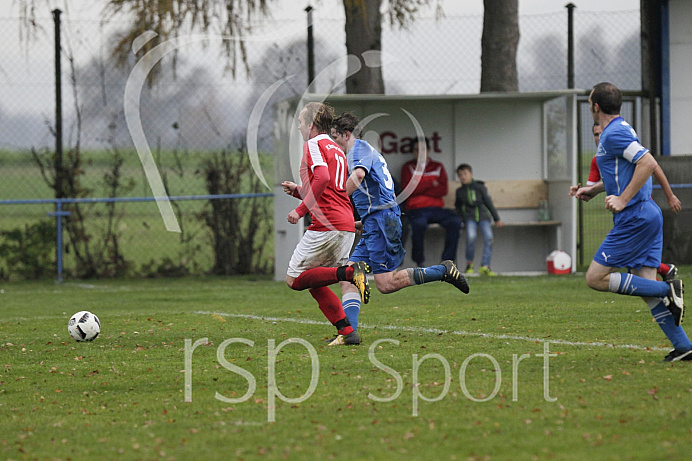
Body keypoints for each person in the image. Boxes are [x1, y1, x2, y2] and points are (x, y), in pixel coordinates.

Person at [574, 82, 688, 362]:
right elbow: (626, 171)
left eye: (590, 102)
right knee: (643, 284)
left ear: (595, 107)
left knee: (595, 278)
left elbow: (647, 163)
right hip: (647, 213)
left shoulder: (611, 134)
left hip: (634, 217)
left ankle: (668, 288)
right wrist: (595, 190)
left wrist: (623, 199)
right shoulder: (622, 129)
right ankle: (684, 347)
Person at [330, 113, 469, 338]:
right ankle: (349, 333)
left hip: (382, 221)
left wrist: (336, 201)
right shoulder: (363, 151)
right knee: (348, 276)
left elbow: (357, 177)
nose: (332, 143)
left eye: (335, 137)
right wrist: (363, 220)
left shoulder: (357, 149)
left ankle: (443, 271)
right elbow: (381, 191)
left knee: (386, 284)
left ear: (347, 135)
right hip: (376, 221)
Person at [281, 102, 371, 346]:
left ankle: (351, 272)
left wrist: (301, 210)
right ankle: (347, 331)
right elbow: (332, 189)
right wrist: (301, 191)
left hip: (327, 224)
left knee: (295, 280)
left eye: (300, 122)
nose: (298, 126)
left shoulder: (313, 143)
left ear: (311, 124)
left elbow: (322, 177)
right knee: (314, 279)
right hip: (344, 223)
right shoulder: (335, 148)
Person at [570, 121, 680, 282]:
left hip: (639, 212)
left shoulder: (621, 145)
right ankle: (665, 275)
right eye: (595, 134)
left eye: (602, 133)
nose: (599, 137)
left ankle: (664, 281)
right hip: (627, 214)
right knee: (640, 270)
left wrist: (670, 196)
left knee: (598, 276)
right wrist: (584, 191)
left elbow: (651, 165)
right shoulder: (598, 159)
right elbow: (602, 185)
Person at [400, 137, 462, 267]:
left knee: (455, 222)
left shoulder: (437, 166)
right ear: (413, 152)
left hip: (436, 208)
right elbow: (408, 190)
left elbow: (443, 189)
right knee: (418, 224)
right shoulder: (408, 167)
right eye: (417, 150)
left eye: (423, 149)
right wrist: (430, 183)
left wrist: (420, 186)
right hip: (416, 209)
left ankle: (447, 262)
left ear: (428, 150)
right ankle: (420, 262)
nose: (420, 153)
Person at [454, 163, 504, 276]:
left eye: (465, 174)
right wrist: (461, 218)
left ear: (471, 174)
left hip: (483, 217)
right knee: (471, 237)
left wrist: (497, 218)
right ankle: (469, 264)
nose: (463, 177)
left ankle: (485, 266)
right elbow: (457, 207)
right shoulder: (459, 192)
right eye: (460, 175)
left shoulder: (480, 187)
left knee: (489, 238)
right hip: (469, 218)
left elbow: (488, 202)